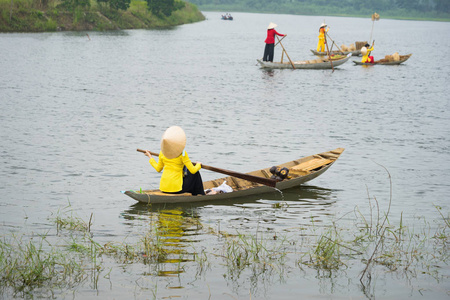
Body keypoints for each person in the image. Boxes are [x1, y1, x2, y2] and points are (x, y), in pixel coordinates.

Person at [144, 126, 205, 195]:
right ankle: (200, 194)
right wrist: (198, 165)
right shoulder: (183, 154)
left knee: (188, 171)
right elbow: (193, 170)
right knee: (195, 173)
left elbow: (158, 169)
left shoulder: (162, 153)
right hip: (177, 189)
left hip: (164, 188)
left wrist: (150, 156)